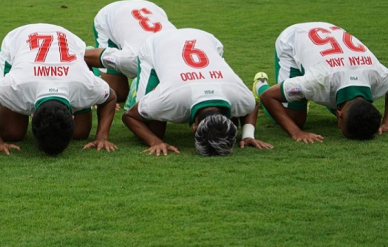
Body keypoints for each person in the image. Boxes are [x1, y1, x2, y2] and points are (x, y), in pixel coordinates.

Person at [122, 28, 273, 156]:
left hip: (206, 40)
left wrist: (247, 135)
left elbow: (251, 104)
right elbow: (130, 117)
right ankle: (136, 89)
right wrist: (155, 141)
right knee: (153, 129)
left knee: (158, 114)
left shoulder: (238, 96)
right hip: (158, 43)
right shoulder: (170, 98)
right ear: (194, 128)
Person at [0, 23, 118, 156]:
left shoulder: (86, 85)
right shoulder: (14, 85)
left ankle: (89, 66)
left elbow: (110, 97)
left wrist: (102, 136)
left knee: (80, 133)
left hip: (68, 44)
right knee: (12, 133)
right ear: (32, 115)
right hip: (19, 39)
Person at [255, 22, 388, 142]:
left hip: (328, 36)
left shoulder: (378, 77)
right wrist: (296, 132)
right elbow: (268, 96)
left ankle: (298, 98)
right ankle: (260, 84)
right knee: (295, 119)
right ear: (338, 113)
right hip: (293, 40)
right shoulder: (316, 82)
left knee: (354, 114)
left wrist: (386, 122)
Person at [84, 0, 176, 104]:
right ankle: (92, 53)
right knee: (117, 94)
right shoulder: (131, 59)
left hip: (152, 8)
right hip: (109, 18)